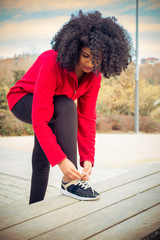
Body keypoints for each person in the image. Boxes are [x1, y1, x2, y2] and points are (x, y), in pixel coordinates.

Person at [7, 10, 132, 204]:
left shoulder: (93, 76)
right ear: (75, 48)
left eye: (97, 59)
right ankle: (70, 181)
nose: (91, 63)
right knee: (65, 105)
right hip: (23, 100)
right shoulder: (51, 61)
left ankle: (34, 209)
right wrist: (63, 162)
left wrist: (88, 158)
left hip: (51, 106)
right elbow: (40, 119)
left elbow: (87, 117)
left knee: (41, 160)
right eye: (86, 56)